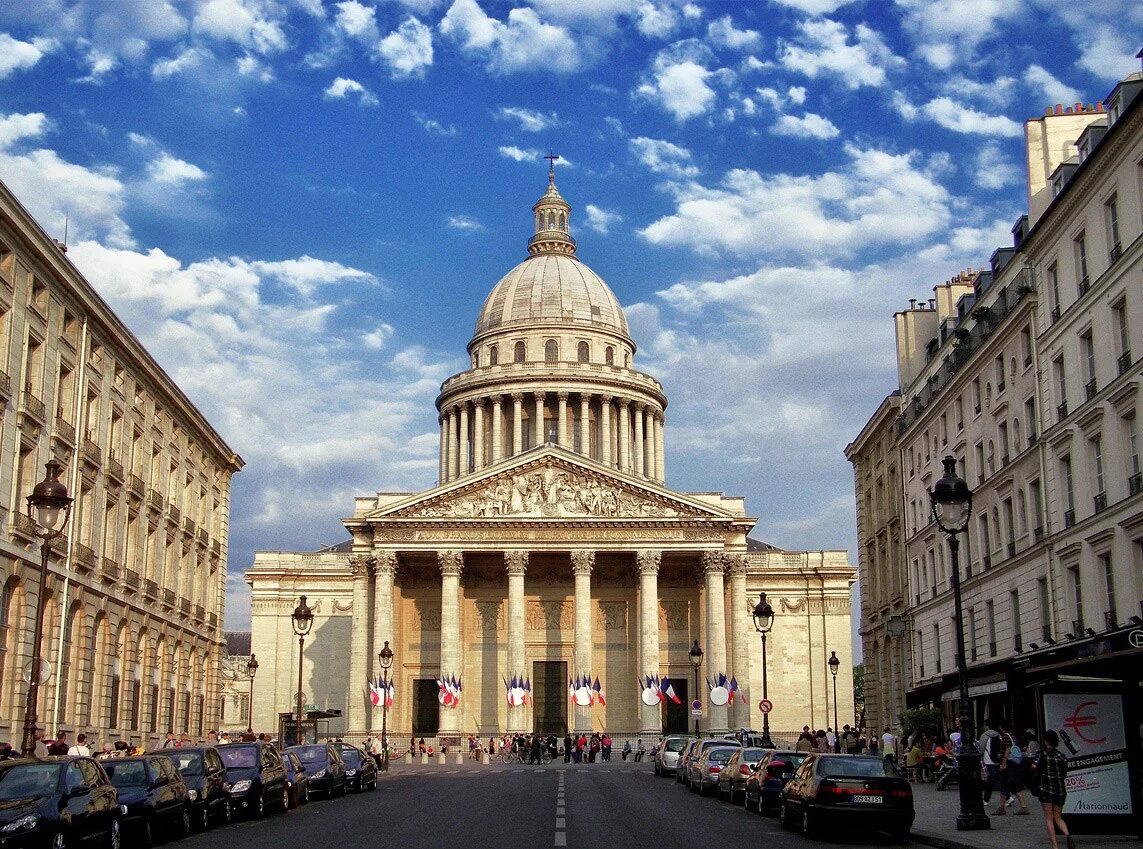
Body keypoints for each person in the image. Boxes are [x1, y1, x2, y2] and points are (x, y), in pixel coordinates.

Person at [1034, 730, 1074, 849]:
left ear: (1046, 741)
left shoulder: (1042, 754)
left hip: (1046, 789)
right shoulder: (1062, 756)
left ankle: (1055, 846)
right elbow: (1064, 774)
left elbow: (1036, 767)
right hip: (1060, 790)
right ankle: (1068, 835)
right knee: (1058, 817)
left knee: (1049, 819)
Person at [996, 722, 1030, 815]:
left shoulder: (1006, 736)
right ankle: (1001, 807)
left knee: (1011, 784)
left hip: (1009, 765)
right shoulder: (1013, 737)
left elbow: (1007, 749)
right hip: (1012, 765)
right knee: (1005, 785)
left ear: (1003, 728)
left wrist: (1003, 763)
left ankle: (1023, 806)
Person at [978, 720, 1003, 805]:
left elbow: (981, 749)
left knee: (993, 779)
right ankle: (986, 799)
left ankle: (1006, 796)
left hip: (988, 760)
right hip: (997, 759)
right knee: (992, 779)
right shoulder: (999, 735)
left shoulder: (985, 735)